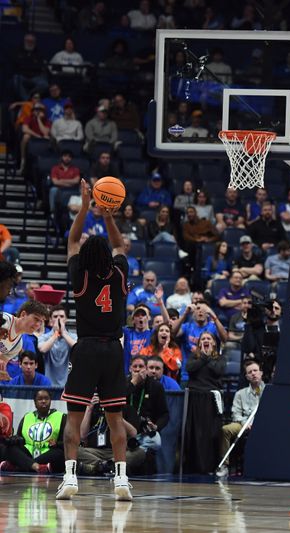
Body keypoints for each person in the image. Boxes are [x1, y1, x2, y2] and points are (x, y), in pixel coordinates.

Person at [57, 178, 132, 501]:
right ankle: (121, 480)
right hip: (113, 351)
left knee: (74, 419)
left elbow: (73, 241)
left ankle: (70, 477)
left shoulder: (79, 274)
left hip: (85, 349)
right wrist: (107, 213)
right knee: (116, 420)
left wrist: (86, 205)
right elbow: (120, 247)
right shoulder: (119, 273)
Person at [184, 332, 226, 474]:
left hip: (210, 399)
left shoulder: (220, 358)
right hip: (194, 398)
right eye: (203, 339)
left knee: (210, 433)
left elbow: (218, 370)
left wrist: (206, 357)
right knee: (194, 432)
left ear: (214, 343)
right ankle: (192, 467)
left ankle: (209, 466)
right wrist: (203, 356)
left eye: (209, 338)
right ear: (199, 343)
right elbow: (190, 368)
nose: (206, 340)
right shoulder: (193, 356)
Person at [216, 359, 264, 477]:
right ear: (246, 376)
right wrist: (245, 424)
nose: (253, 373)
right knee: (226, 429)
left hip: (263, 424)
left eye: (255, 370)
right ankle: (225, 465)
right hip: (243, 424)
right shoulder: (240, 394)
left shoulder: (269, 391)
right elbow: (235, 414)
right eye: (250, 372)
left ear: (261, 373)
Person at [0, 390, 66, 473]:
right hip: (29, 454)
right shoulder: (27, 417)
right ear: (35, 402)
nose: (43, 401)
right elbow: (20, 439)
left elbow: (66, 443)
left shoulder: (61, 417)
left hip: (48, 454)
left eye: (46, 398)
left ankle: (21, 466)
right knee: (9, 448)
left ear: (50, 401)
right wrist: (14, 439)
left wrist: (57, 444)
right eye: (40, 399)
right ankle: (37, 467)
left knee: (60, 453)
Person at [125, 355, 169, 461]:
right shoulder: (124, 382)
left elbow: (165, 414)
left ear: (146, 369)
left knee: (156, 441)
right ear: (130, 368)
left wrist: (156, 426)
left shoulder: (156, 386)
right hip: (125, 429)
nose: (138, 369)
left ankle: (135, 451)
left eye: (141, 366)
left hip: (144, 432)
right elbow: (119, 398)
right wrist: (134, 382)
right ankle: (132, 453)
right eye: (135, 366)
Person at [0, 301, 48, 382]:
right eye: (36, 319)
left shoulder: (18, 345)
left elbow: (2, 362)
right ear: (23, 314)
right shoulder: (4, 319)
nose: (38, 324)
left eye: (41, 321)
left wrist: (2, 373)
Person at [37, 305, 76, 388]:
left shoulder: (73, 337)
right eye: (55, 316)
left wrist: (64, 333)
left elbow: (77, 348)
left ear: (66, 319)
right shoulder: (43, 337)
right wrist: (56, 334)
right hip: (49, 384)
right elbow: (43, 349)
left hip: (68, 385)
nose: (58, 319)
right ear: (51, 320)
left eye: (62, 316)